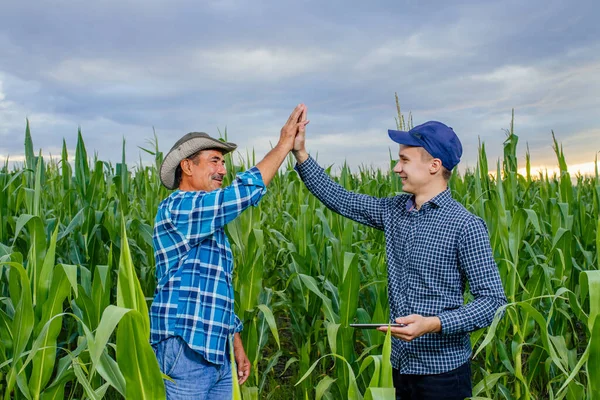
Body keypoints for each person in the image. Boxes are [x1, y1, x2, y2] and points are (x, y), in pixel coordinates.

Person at [292, 118, 506, 399]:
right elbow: (340, 198)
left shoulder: (465, 225)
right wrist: (300, 153)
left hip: (443, 373)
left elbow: (493, 302)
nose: (397, 168)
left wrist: (432, 324)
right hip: (401, 366)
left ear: (434, 165)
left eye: (404, 160)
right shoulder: (394, 210)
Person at [150, 104, 309, 399]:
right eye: (214, 161)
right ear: (187, 166)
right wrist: (284, 146)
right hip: (184, 348)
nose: (222, 170)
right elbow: (241, 194)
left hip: (216, 351)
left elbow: (217, 290)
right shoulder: (178, 208)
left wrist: (236, 346)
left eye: (223, 163)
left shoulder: (209, 226)